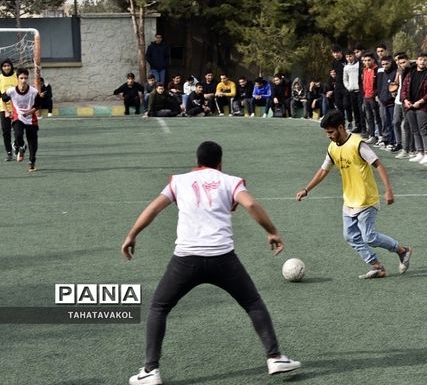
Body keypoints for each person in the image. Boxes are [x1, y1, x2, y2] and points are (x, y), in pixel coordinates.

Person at [122, 141, 301, 385]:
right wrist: (272, 231)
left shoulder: (179, 181)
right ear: (220, 163)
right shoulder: (230, 180)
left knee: (159, 308)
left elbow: (154, 208)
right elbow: (250, 204)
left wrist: (132, 235)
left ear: (197, 162)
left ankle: (150, 370)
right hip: (223, 259)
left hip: (185, 260)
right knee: (252, 303)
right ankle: (275, 357)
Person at [295, 110, 413, 279]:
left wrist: (388, 190)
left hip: (366, 199)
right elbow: (323, 171)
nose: (328, 136)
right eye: (326, 132)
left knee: (369, 237)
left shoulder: (358, 144)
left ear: (341, 127)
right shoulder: (332, 148)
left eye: (331, 131)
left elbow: (378, 165)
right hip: (349, 200)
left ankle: (403, 251)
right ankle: (376, 266)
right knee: (350, 237)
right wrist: (306, 189)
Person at [1, 68, 41, 172]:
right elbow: (3, 98)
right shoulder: (11, 91)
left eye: (25, 78)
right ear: (17, 79)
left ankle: (32, 162)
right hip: (17, 117)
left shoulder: (33, 91)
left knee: (33, 142)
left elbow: (38, 105)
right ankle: (21, 146)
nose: (23, 80)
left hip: (31, 119)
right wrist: (6, 111)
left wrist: (29, 112)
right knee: (18, 134)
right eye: (21, 78)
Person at [401, 52, 427, 164]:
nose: (422, 61)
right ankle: (420, 152)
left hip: (423, 107)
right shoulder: (410, 74)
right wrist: (405, 100)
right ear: (416, 61)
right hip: (410, 106)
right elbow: (404, 89)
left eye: (425, 60)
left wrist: (421, 102)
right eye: (420, 59)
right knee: (414, 130)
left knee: (424, 130)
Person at [0, 59, 17, 161]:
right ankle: (9, 152)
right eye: (4, 66)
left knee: (18, 130)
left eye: (8, 65)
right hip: (3, 108)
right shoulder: (0, 78)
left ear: (11, 66)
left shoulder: (16, 76)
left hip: (16, 107)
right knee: (6, 131)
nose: (6, 67)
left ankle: (18, 145)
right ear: (2, 67)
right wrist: (6, 110)